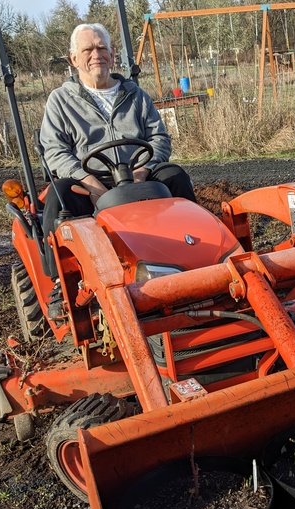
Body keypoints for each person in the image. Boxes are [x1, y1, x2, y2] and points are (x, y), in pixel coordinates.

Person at [39, 22, 197, 318]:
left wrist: (142, 171)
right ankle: (62, 281)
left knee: (175, 175)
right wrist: (90, 184)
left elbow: (159, 138)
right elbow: (55, 151)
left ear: (112, 54)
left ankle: (195, 257)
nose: (95, 54)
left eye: (101, 47)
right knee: (59, 196)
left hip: (139, 173)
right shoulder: (61, 100)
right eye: (87, 49)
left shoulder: (135, 94)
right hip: (89, 180)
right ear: (74, 59)